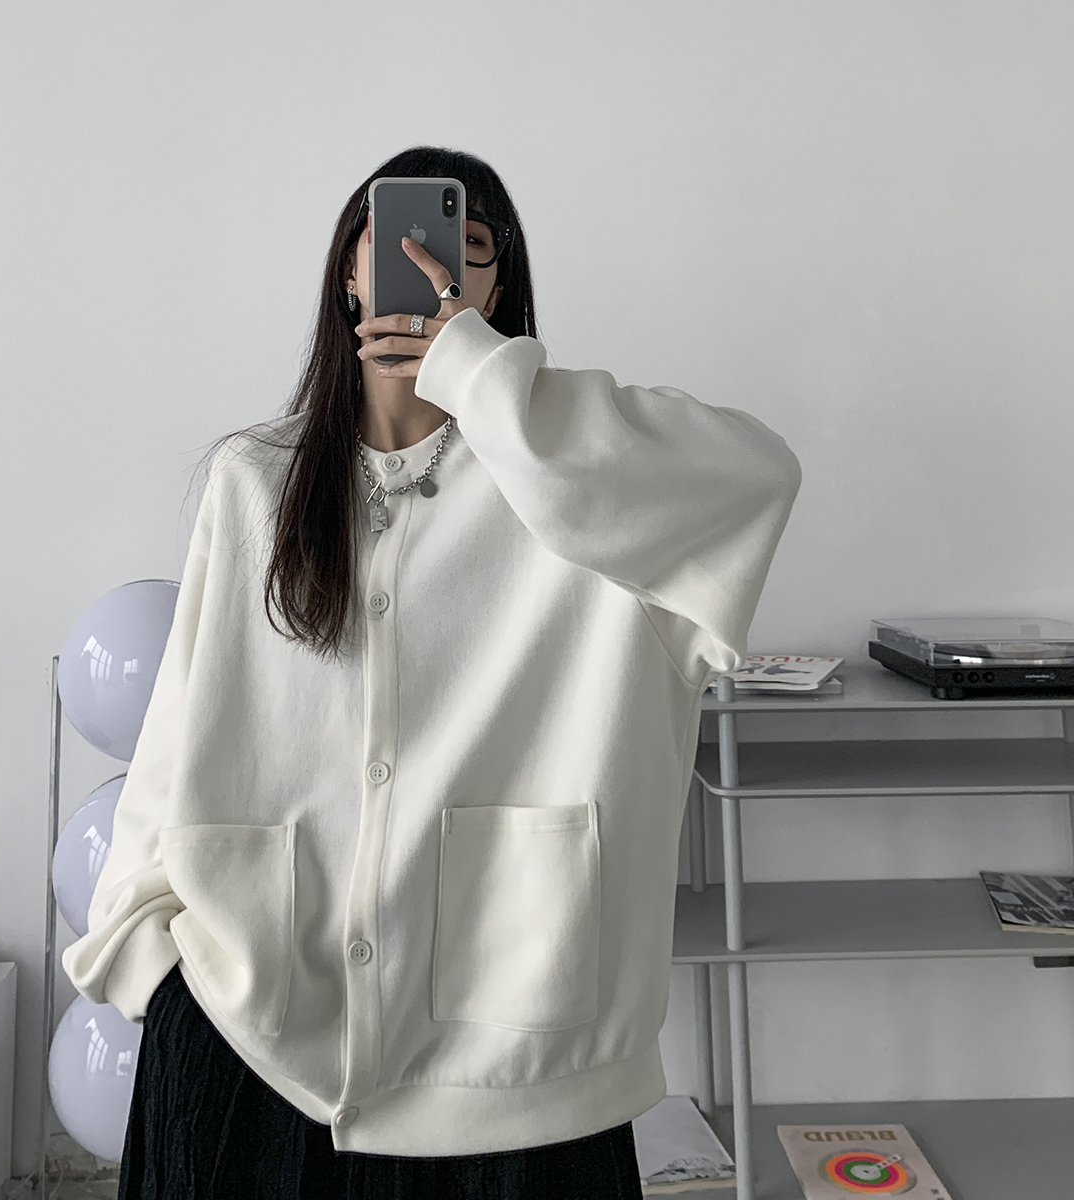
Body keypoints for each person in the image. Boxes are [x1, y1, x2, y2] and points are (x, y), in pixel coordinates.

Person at [62, 144, 802, 1199]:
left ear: (498, 290)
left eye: (468, 243)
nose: (429, 260)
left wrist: (477, 374)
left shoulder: (583, 489)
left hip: (517, 1083)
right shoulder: (253, 483)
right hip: (246, 1058)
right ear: (349, 272)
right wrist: (149, 963)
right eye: (392, 235)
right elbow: (178, 737)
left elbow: (759, 474)